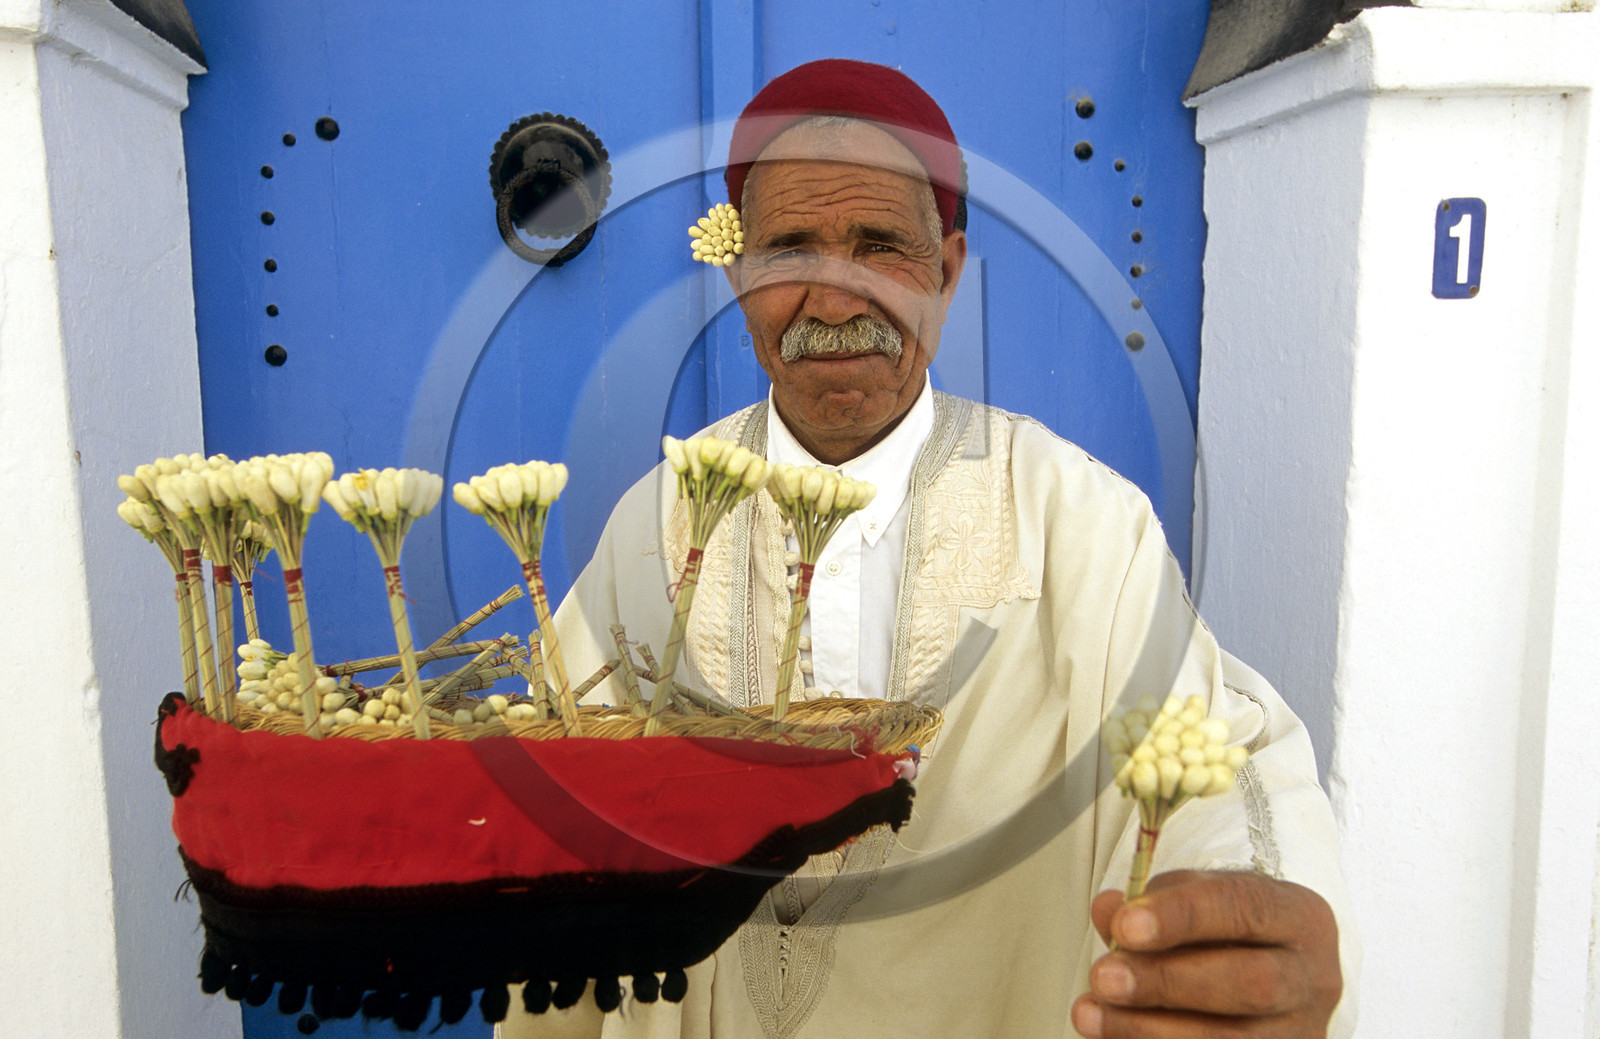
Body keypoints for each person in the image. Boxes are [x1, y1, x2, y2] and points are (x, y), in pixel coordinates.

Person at [510, 59, 1355, 1039]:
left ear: (947, 274)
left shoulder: (1071, 517)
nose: (833, 303)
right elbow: (547, 776)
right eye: (789, 252)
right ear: (739, 280)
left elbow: (1211, 758)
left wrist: (1245, 911)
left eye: (881, 251)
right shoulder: (660, 524)